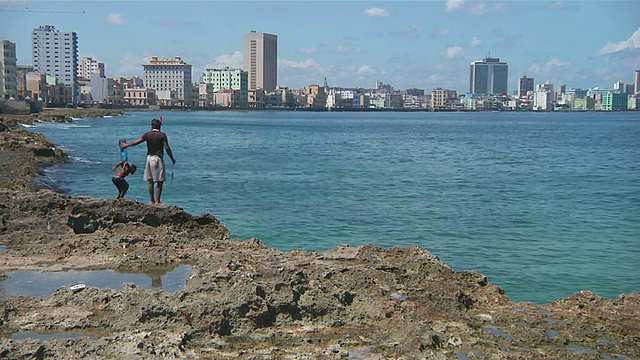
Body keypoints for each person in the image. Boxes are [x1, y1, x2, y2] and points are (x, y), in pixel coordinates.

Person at [123, 118, 176, 204]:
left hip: (149, 158)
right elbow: (166, 147)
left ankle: (151, 200)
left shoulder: (147, 135)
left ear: (152, 126)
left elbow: (137, 142)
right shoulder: (162, 135)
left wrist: (126, 145)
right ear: (159, 126)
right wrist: (172, 158)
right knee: (160, 181)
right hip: (157, 158)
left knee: (150, 181)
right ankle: (158, 201)